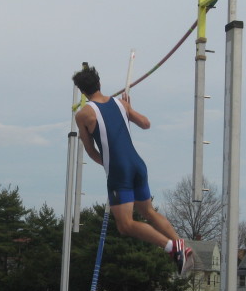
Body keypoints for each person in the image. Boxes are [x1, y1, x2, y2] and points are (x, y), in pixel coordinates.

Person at [72, 65, 192, 276]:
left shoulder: (83, 115)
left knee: (125, 225)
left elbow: (90, 151)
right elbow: (146, 124)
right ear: (99, 83)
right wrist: (129, 109)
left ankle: (172, 248)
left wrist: (109, 164)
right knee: (148, 212)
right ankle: (180, 244)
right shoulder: (120, 103)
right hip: (138, 164)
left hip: (120, 171)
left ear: (82, 91)